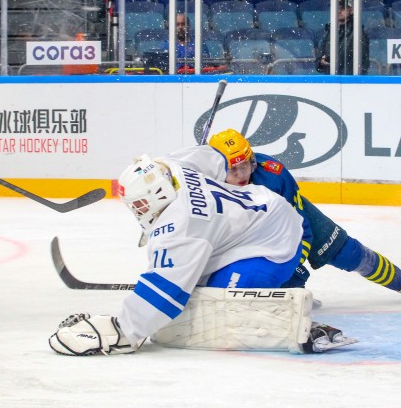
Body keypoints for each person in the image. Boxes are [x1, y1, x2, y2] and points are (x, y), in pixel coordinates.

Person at [49, 155, 355, 356]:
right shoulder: (172, 166)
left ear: (158, 196)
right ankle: (276, 286)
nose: (137, 212)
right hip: (258, 213)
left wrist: (123, 330)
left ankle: (296, 318)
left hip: (275, 240)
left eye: (140, 205)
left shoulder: (182, 225)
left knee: (214, 298)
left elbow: (165, 294)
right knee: (194, 282)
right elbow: (215, 158)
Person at [208, 128, 401, 294]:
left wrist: (290, 264)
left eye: (245, 165)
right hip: (248, 237)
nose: (241, 175)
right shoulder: (203, 184)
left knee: (348, 253)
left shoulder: (273, 176)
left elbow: (301, 227)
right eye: (233, 170)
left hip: (291, 226)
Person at [317, 0, 370, 75]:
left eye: (342, 8)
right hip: (331, 81)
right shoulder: (329, 31)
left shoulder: (358, 33)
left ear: (351, 10)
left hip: (349, 82)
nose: (338, 11)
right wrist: (321, 62)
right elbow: (320, 56)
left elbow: (363, 63)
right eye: (336, 8)